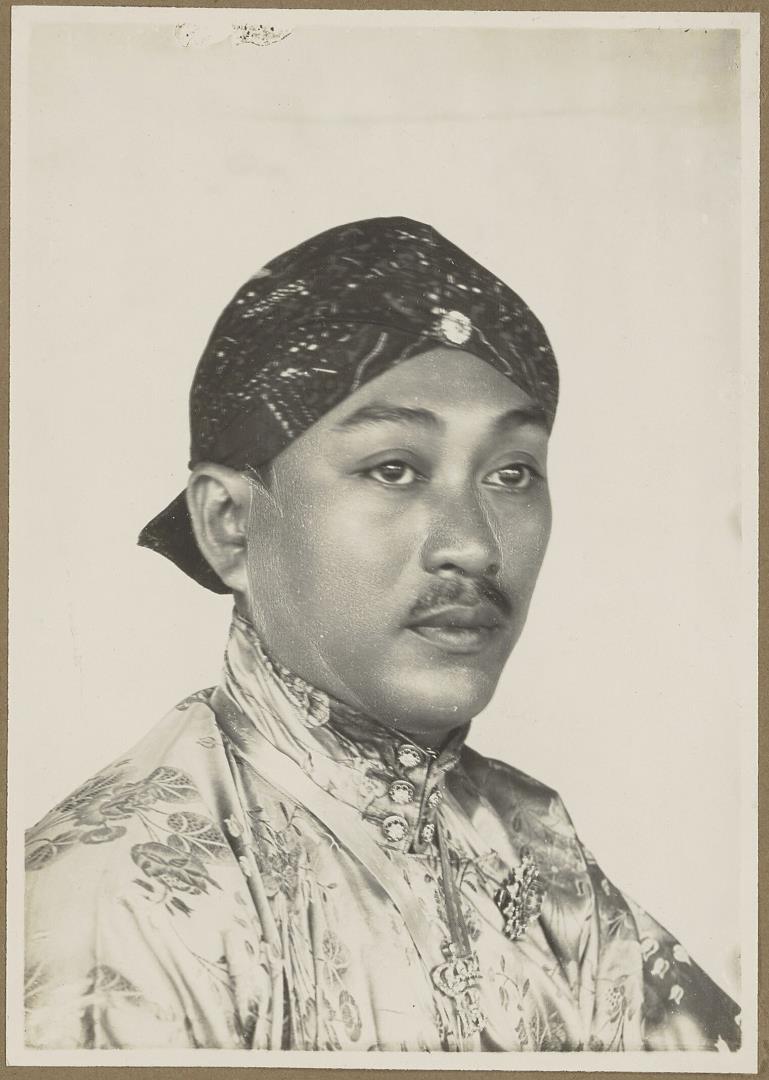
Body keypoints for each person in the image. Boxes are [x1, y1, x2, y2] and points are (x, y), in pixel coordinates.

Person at [24, 217, 740, 1052]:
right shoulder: (118, 905)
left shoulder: (534, 846)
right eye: (393, 469)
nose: (473, 545)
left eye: (511, 473)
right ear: (228, 523)